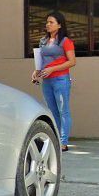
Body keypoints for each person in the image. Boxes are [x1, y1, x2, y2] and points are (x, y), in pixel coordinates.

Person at [31, 11, 76, 151]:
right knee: (52, 111)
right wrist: (36, 71)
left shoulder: (65, 41)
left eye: (51, 22)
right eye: (47, 22)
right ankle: (55, 139)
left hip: (61, 80)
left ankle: (63, 142)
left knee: (64, 111)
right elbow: (41, 61)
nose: (48, 24)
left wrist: (53, 69)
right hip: (47, 81)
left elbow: (72, 62)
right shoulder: (43, 41)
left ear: (59, 25)